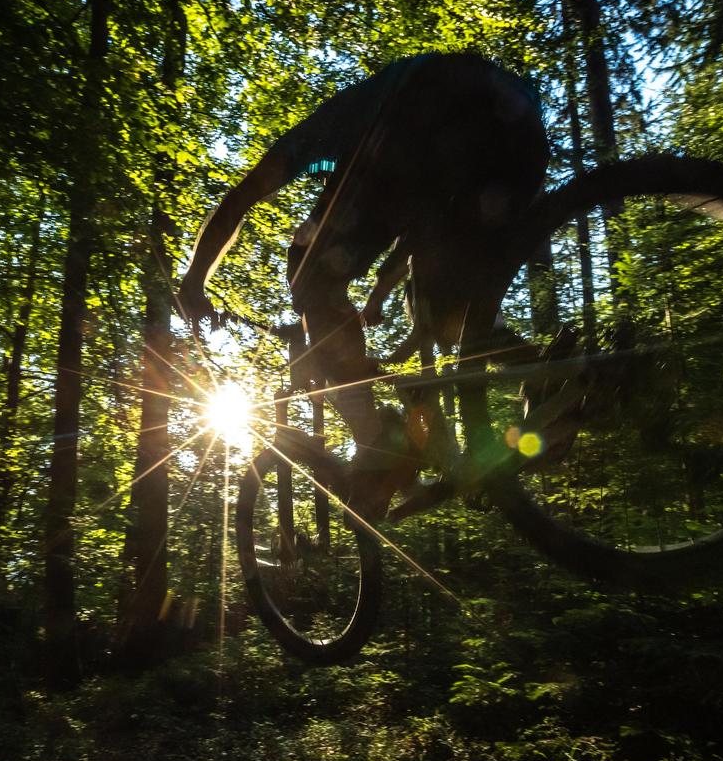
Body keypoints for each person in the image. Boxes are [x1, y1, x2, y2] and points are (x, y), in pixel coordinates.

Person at [178, 52, 549, 517]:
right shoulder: (386, 133)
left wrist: (194, 281)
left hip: (431, 115)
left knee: (307, 268)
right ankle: (549, 374)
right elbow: (415, 232)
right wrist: (379, 295)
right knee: (446, 310)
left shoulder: (329, 131)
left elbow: (241, 198)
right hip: (519, 147)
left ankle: (377, 444)